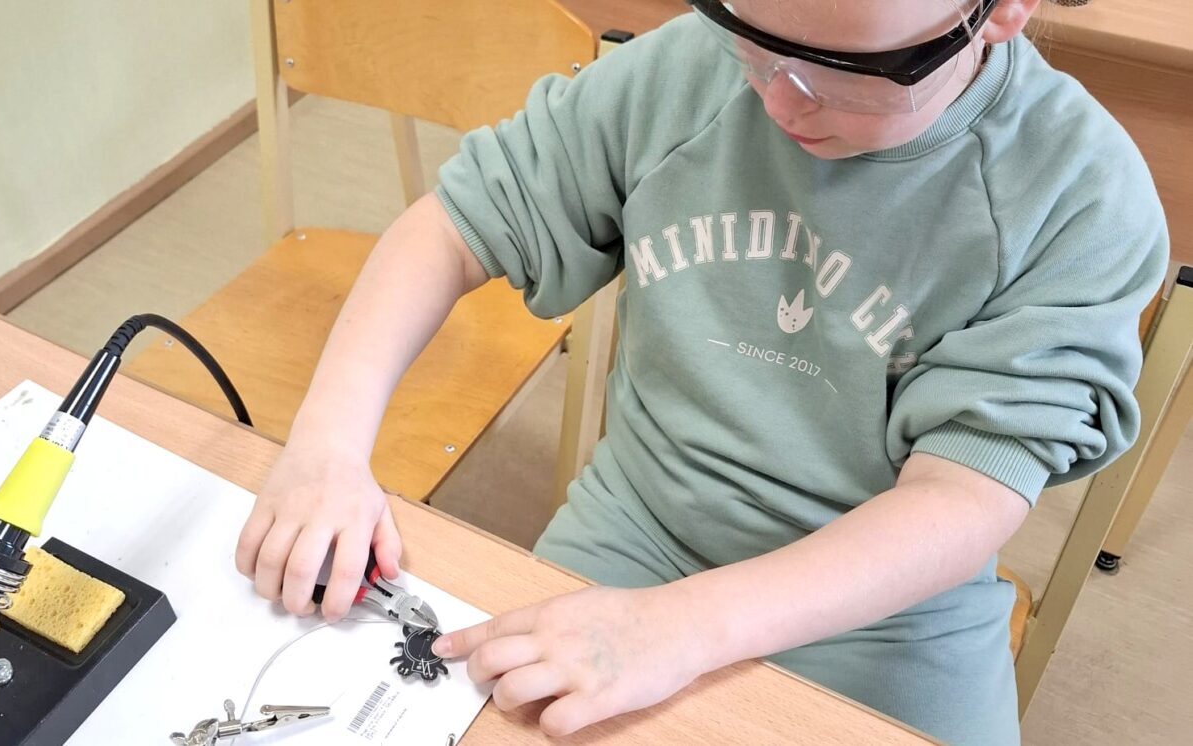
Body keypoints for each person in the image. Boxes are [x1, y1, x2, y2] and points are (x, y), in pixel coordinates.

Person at [234, 1, 1169, 742]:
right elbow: (451, 229)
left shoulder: (1077, 194)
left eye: (848, 73)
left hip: (893, 604)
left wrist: (686, 628)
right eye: (751, 40)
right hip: (643, 527)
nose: (782, 102)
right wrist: (326, 450)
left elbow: (965, 497)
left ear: (998, 11)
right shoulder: (685, 71)